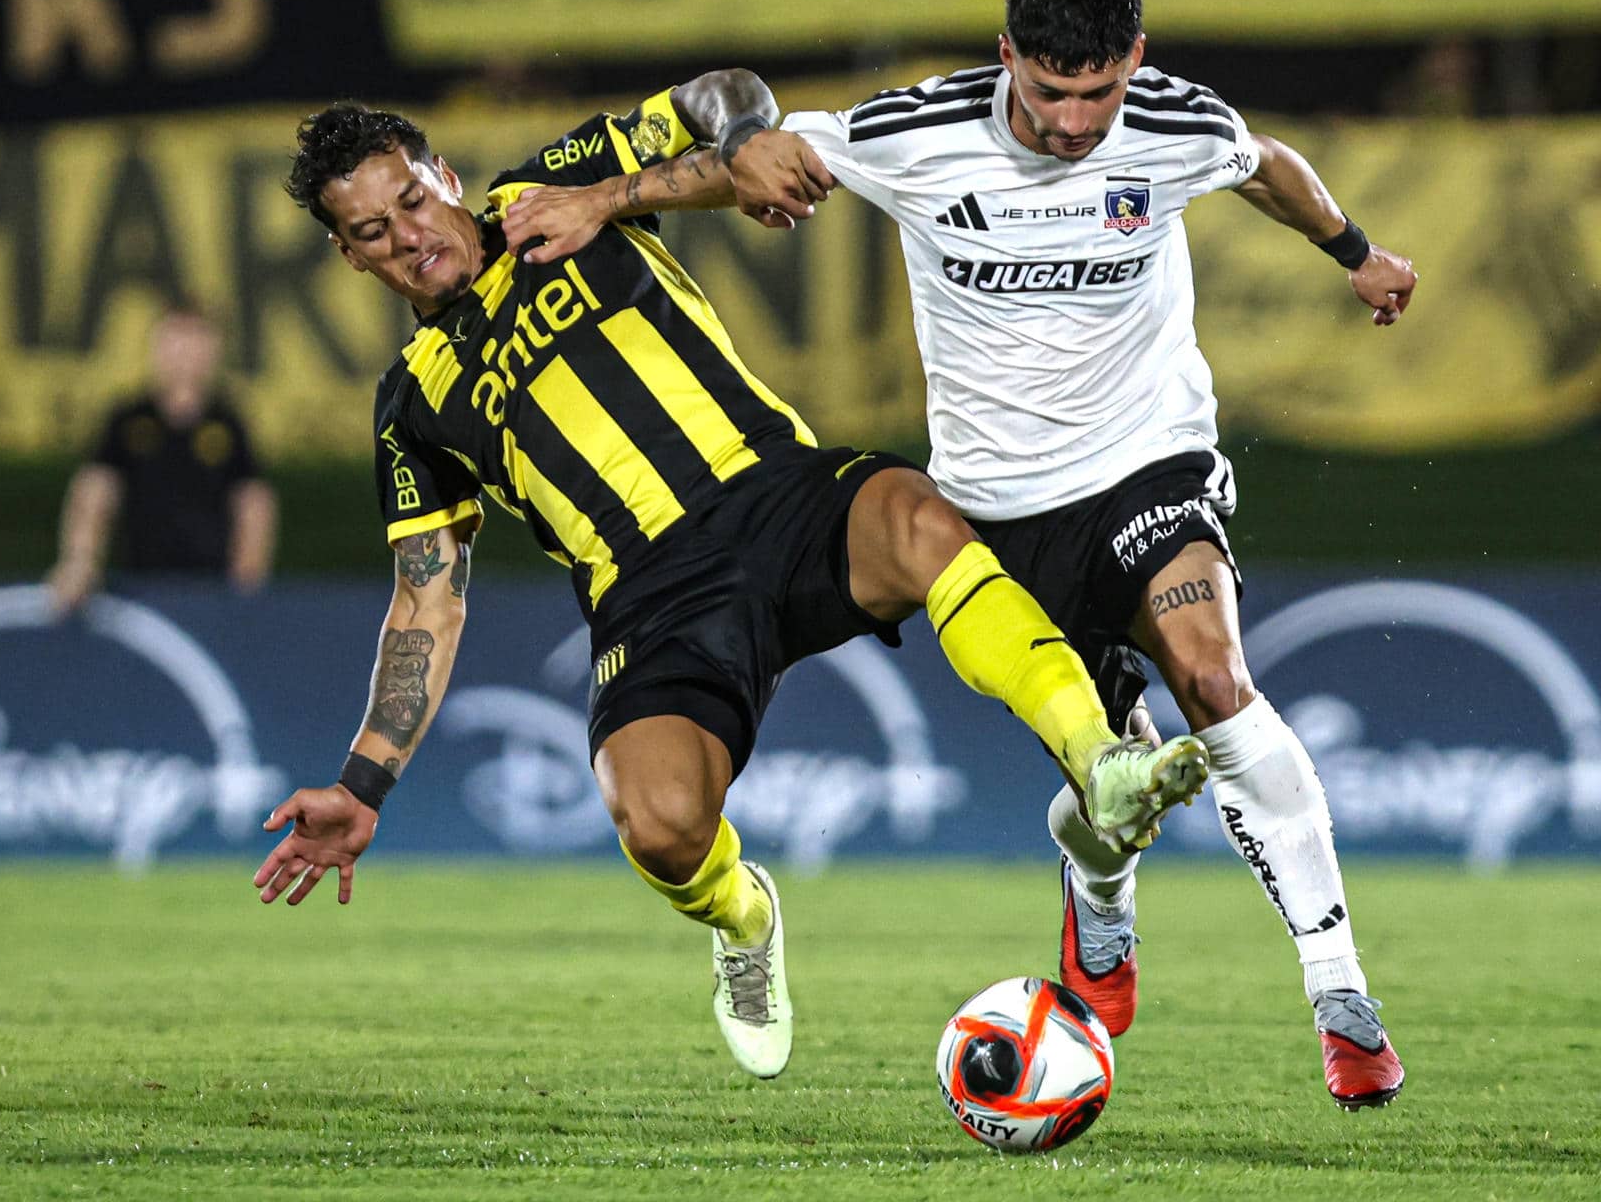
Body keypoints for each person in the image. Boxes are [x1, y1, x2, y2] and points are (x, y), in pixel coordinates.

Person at [253, 70, 1208, 1082]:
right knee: (659, 824)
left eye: (409, 197)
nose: (405, 233)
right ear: (348, 256)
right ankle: (744, 916)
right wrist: (364, 783)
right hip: (652, 597)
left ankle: (1101, 758)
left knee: (920, 514)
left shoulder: (551, 195)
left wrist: (744, 138)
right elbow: (426, 597)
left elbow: (719, 95)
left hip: (775, 496)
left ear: (443, 176)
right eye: (368, 230)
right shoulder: (412, 408)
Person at [754, 0, 1417, 1108]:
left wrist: (1355, 253)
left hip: (1150, 459)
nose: (1073, 122)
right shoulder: (915, 132)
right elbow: (774, 151)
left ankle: (1341, 995)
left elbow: (1265, 165)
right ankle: (1099, 899)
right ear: (1006, 55)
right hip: (1001, 519)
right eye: (1051, 91)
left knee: (1215, 683)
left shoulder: (1173, 125)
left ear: (1135, 63)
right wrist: (615, 192)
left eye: (1098, 92)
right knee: (1111, 788)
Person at [47, 304, 278, 612]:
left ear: (213, 352)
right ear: (156, 348)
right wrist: (80, 560)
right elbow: (95, 490)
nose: (184, 354)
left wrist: (245, 588)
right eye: (175, 341)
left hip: (212, 592)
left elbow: (254, 504)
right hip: (137, 590)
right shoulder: (128, 419)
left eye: (196, 342)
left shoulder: (227, 424)